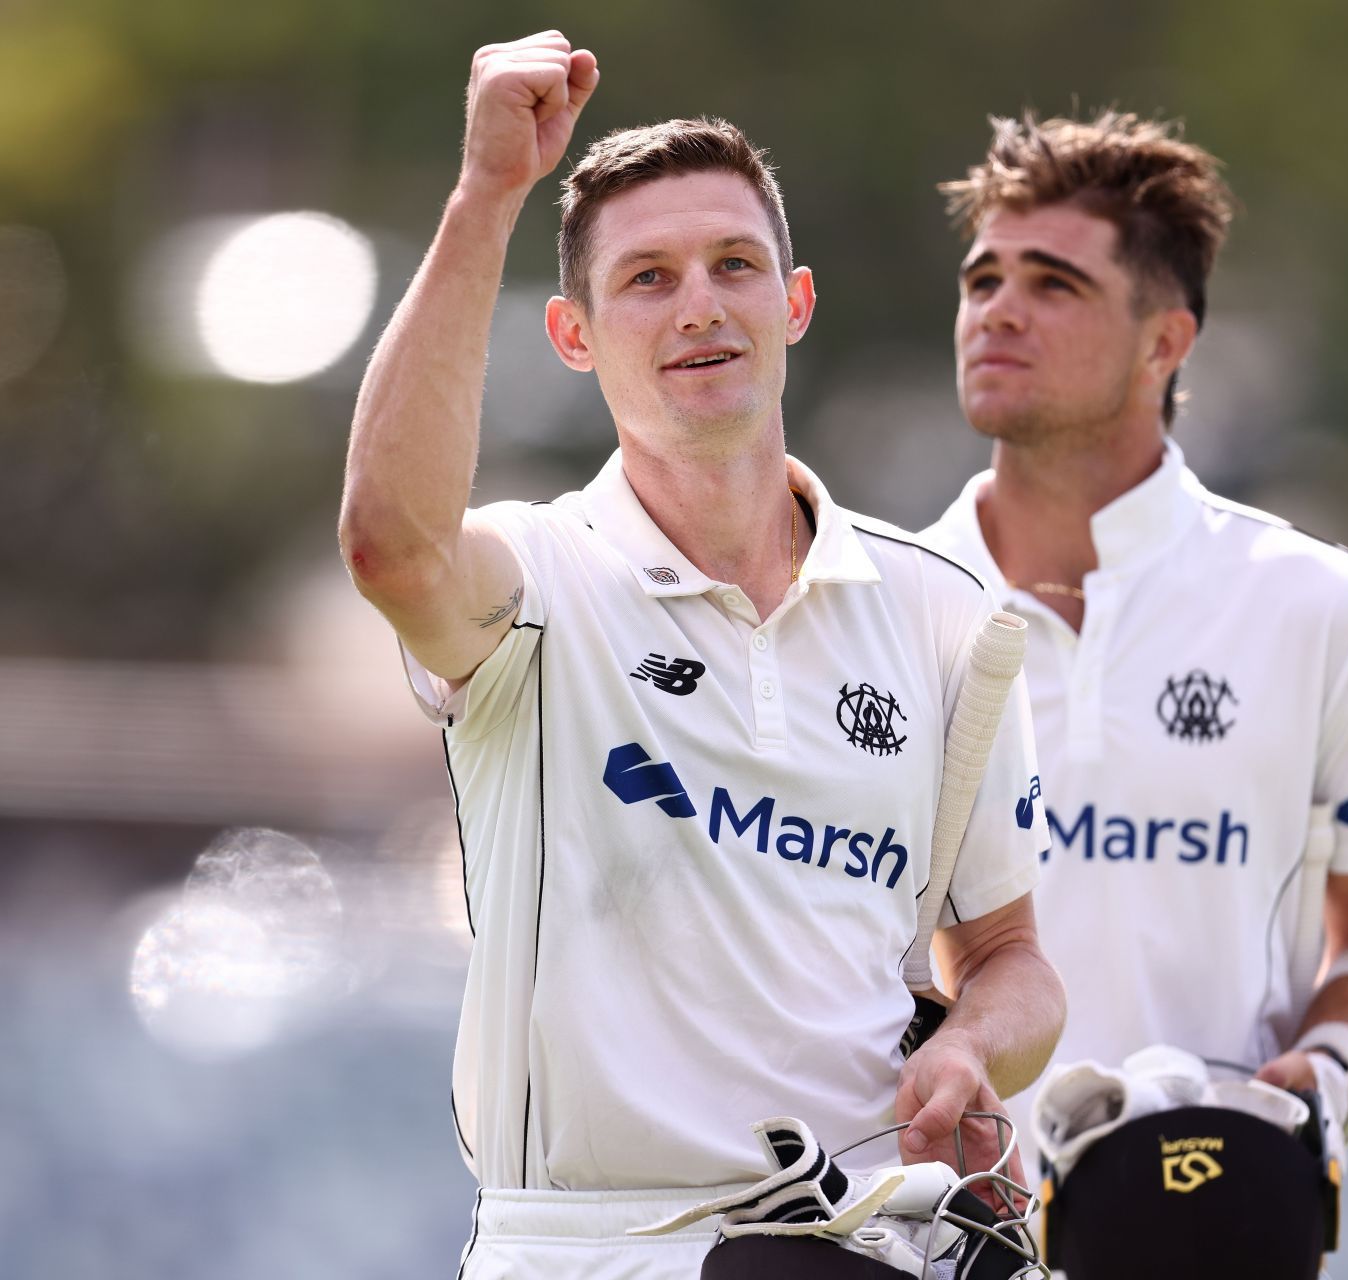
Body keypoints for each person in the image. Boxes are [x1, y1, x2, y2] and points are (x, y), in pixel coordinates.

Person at [339, 31, 1066, 1280]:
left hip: (870, 1236)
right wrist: (487, 193)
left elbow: (1009, 961)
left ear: (794, 302)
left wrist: (967, 1051)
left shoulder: (941, 611)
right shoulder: (540, 580)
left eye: (735, 264)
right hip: (598, 1249)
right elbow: (392, 547)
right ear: (573, 335)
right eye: (646, 278)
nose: (698, 305)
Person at [921, 110, 1348, 1262]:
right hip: (930, 1242)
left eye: (1053, 283)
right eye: (983, 276)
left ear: (1167, 342)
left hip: (1216, 1229)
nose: (997, 309)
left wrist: (1320, 1081)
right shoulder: (877, 604)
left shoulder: (1322, 604)